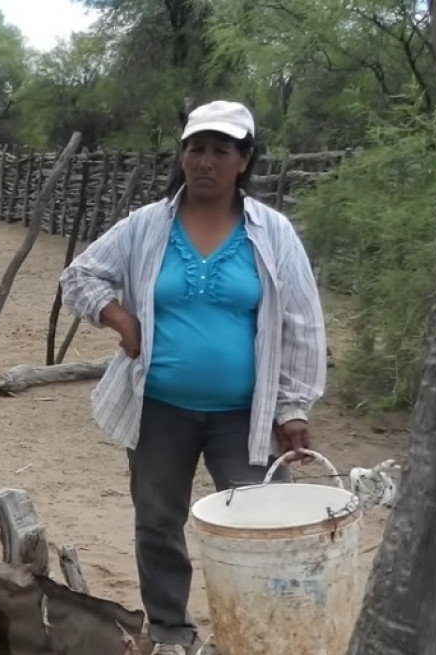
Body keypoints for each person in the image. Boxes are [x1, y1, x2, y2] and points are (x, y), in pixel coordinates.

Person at [59, 100, 327, 655]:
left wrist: (293, 408)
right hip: (159, 406)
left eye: (220, 150)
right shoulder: (146, 226)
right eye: (195, 148)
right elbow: (79, 274)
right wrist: (119, 317)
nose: (205, 161)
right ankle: (171, 632)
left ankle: (264, 633)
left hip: (244, 414)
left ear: (245, 160)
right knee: (158, 522)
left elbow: (302, 323)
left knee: (265, 524)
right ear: (183, 156)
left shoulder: (272, 234)